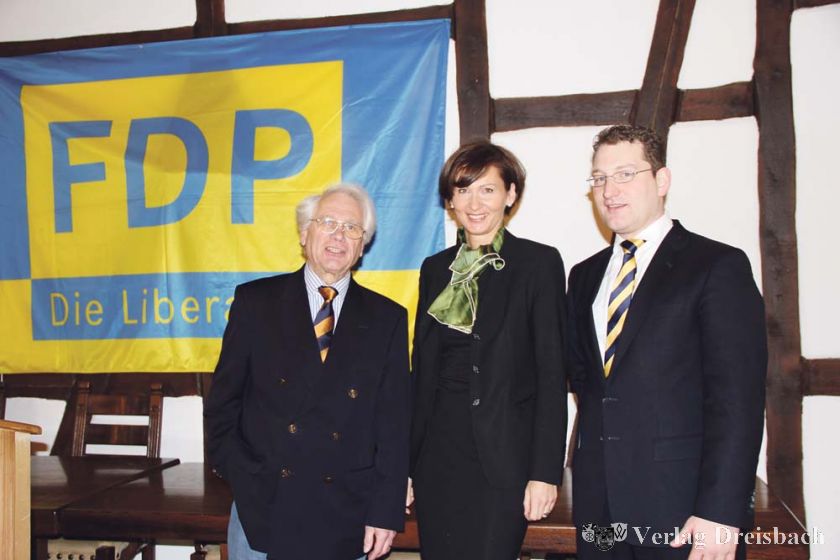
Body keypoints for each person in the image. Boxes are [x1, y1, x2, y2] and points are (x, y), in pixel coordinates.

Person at [567, 125, 767, 559]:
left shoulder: (716, 265)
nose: (609, 190)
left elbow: (738, 399)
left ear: (661, 180)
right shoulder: (583, 276)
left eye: (625, 174)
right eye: (599, 178)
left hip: (682, 511)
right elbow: (588, 384)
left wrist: (721, 512)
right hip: (599, 510)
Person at [204, 183, 410, 560]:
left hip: (347, 513)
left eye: (352, 228)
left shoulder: (387, 318)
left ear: (362, 245)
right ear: (304, 233)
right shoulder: (255, 303)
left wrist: (386, 510)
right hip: (263, 508)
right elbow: (223, 402)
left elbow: (394, 426)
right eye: (327, 222)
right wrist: (243, 474)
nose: (338, 236)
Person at [408, 141, 568, 560]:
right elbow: (421, 373)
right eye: (463, 190)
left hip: (504, 460)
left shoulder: (538, 264)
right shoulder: (434, 269)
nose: (474, 203)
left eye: (488, 190)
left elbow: (552, 375)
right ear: (450, 200)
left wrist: (544, 473)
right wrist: (405, 466)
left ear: (510, 195)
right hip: (436, 456)